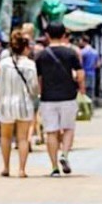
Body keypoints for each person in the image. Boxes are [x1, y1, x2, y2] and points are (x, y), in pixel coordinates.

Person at [35, 23, 84, 176]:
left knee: (51, 132)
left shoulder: (41, 55)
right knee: (68, 128)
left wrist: (40, 93)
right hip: (68, 96)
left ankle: (54, 167)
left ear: (47, 36)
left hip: (48, 98)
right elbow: (81, 75)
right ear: (64, 35)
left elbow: (38, 79)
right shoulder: (70, 53)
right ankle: (64, 154)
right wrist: (80, 86)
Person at [0, 30, 39, 178]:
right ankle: (21, 169)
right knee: (22, 138)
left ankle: (6, 167)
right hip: (23, 104)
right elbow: (33, 87)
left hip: (5, 104)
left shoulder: (3, 64)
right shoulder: (30, 64)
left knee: (5, 137)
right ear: (25, 47)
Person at [78, 35, 100, 101]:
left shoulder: (82, 52)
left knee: (83, 92)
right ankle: (90, 107)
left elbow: (80, 63)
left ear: (83, 41)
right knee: (91, 92)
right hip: (92, 73)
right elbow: (98, 64)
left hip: (84, 73)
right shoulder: (95, 52)